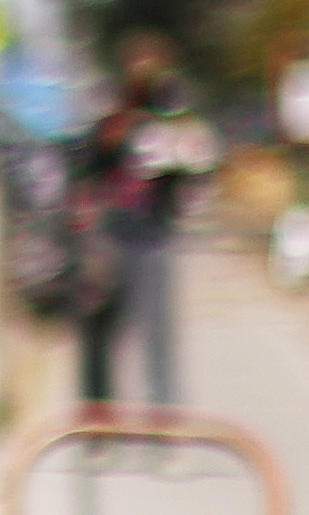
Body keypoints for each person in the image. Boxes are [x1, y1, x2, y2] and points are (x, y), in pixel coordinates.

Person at [76, 35, 215, 410]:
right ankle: (100, 420)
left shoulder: (173, 119)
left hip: (156, 233)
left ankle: (163, 419)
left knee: (159, 336)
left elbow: (195, 168)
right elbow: (89, 170)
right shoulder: (112, 119)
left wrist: (181, 155)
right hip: (115, 234)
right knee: (103, 333)